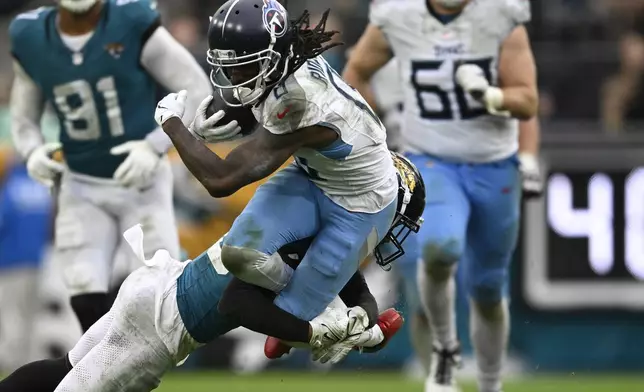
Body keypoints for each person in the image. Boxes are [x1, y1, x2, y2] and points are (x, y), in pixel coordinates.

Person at [0, 152, 426, 391]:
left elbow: (357, 292)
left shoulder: (313, 223)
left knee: (63, 368)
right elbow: (237, 301)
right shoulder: (311, 236)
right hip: (159, 327)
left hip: (159, 285)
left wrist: (363, 322)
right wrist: (312, 333)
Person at [156, 0, 399, 338]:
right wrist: (203, 129)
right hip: (314, 177)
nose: (234, 76)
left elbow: (222, 180)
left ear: (272, 57)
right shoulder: (287, 59)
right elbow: (259, 99)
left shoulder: (300, 99)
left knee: (277, 335)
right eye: (229, 66)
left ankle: (354, 322)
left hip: (359, 205)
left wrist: (173, 125)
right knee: (237, 255)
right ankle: (340, 305)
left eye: (244, 65)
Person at [342, 0, 539, 391]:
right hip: (431, 161)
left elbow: (528, 101)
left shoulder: (501, 15)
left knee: (488, 288)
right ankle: (445, 351)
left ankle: (489, 381)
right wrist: (377, 136)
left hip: (492, 164)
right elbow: (354, 75)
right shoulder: (399, 18)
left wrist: (491, 96)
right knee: (439, 250)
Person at [8, 0, 211, 333]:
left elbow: (196, 90)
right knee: (84, 291)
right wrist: (32, 152)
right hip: (81, 182)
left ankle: (138, 370)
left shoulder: (131, 20)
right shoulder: (31, 35)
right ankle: (105, 374)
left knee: (156, 292)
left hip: (141, 179)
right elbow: (24, 116)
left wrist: (154, 146)